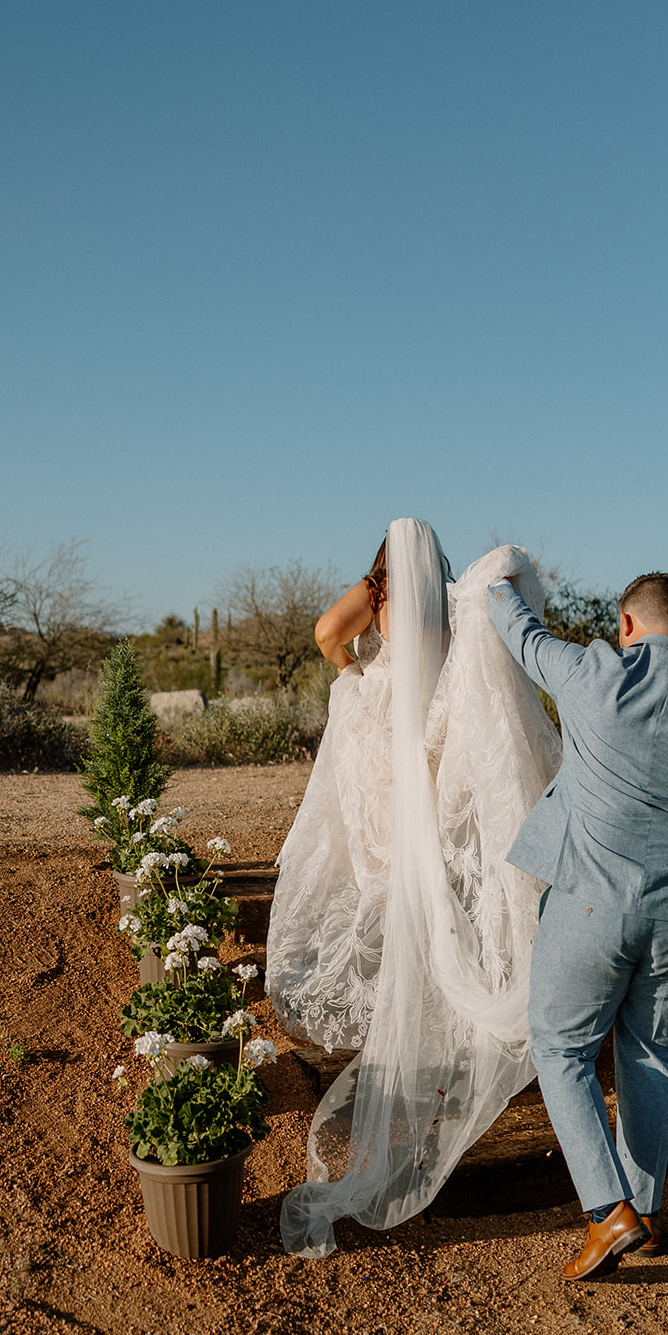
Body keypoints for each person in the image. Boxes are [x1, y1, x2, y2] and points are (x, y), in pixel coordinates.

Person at [269, 518, 562, 1256]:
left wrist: (353, 668)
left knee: (377, 860)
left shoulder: (378, 592)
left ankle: (396, 977)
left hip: (381, 732)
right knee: (431, 863)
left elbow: (322, 632)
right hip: (428, 738)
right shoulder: (451, 602)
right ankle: (434, 975)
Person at [488, 569, 668, 1281]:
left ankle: (605, 1212)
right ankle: (644, 1218)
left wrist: (493, 583)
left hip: (590, 901)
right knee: (649, 1054)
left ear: (624, 626)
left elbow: (520, 634)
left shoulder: (591, 674)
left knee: (560, 1051)